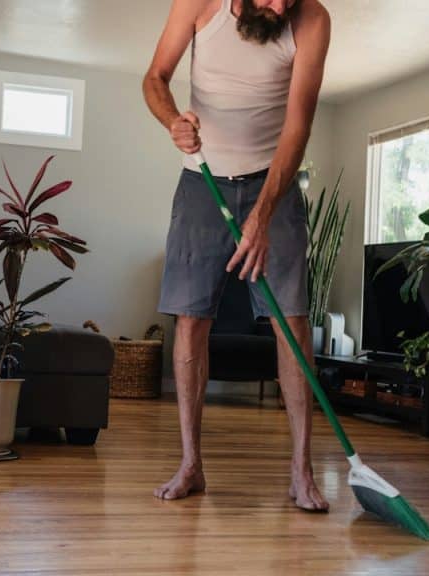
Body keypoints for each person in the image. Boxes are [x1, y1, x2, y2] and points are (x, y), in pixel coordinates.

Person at [142, 0, 331, 510]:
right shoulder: (198, 3)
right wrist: (172, 122)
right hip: (201, 181)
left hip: (276, 183)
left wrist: (264, 214)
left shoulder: (312, 19)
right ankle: (190, 465)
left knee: (291, 324)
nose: (279, 6)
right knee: (191, 320)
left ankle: (301, 472)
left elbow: (297, 126)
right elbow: (156, 78)